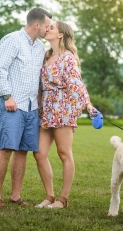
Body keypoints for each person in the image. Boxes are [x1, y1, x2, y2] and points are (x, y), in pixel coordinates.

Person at [0, 7, 52, 207]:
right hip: (12, 105)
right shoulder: (12, 40)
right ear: (37, 25)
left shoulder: (40, 47)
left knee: (23, 151)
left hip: (31, 107)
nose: (48, 29)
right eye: (46, 26)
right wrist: (7, 96)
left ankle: (15, 195)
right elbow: (0, 68)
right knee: (6, 149)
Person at [33, 21, 96, 209]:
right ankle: (49, 196)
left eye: (51, 27)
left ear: (60, 35)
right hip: (46, 109)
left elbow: (76, 83)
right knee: (39, 153)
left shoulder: (68, 58)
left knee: (64, 153)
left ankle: (63, 199)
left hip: (63, 108)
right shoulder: (46, 56)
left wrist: (88, 104)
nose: (47, 29)